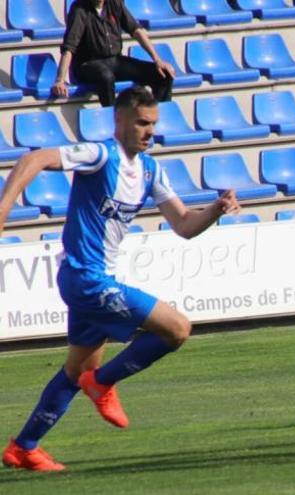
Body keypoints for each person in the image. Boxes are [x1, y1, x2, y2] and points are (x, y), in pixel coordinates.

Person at [0, 87, 240, 471]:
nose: (150, 131)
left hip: (92, 281)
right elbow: (35, 158)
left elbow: (183, 225)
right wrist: (4, 208)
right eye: (143, 123)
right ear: (121, 121)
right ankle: (103, 382)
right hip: (86, 278)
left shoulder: (150, 171)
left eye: (154, 124)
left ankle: (24, 446)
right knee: (176, 329)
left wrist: (215, 209)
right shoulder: (99, 155)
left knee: (76, 371)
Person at [54, 0, 174, 107]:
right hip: (88, 64)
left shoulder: (114, 3)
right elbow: (69, 47)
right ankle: (114, 121)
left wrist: (157, 59)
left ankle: (156, 120)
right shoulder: (79, 9)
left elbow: (136, 30)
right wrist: (60, 79)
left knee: (163, 74)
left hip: (115, 60)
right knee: (106, 76)